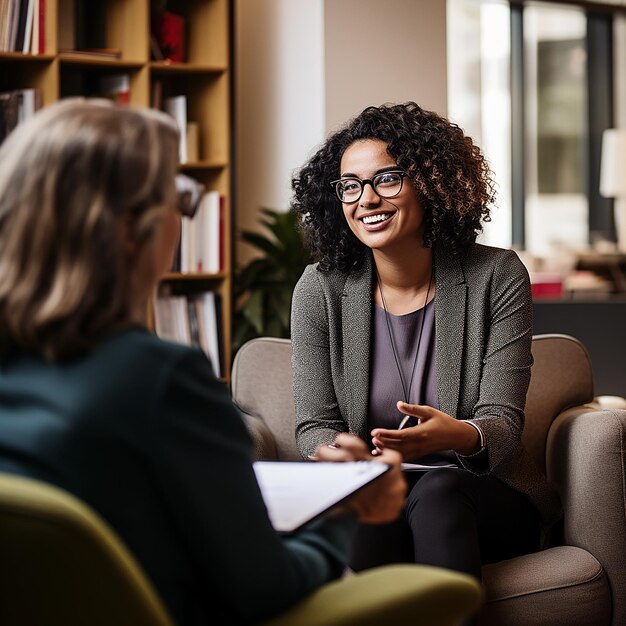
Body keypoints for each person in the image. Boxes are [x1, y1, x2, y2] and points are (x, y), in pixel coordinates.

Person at [0, 99, 406, 626]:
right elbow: (265, 589)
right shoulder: (159, 380)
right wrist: (347, 510)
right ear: (129, 229)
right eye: (179, 199)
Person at [290, 102, 562, 582]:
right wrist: (341, 454)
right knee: (371, 504)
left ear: (432, 183)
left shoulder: (496, 276)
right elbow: (314, 425)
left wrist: (455, 435)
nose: (366, 199)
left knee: (437, 490)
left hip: (481, 495)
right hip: (377, 490)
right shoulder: (320, 288)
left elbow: (501, 422)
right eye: (350, 185)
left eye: (387, 179)